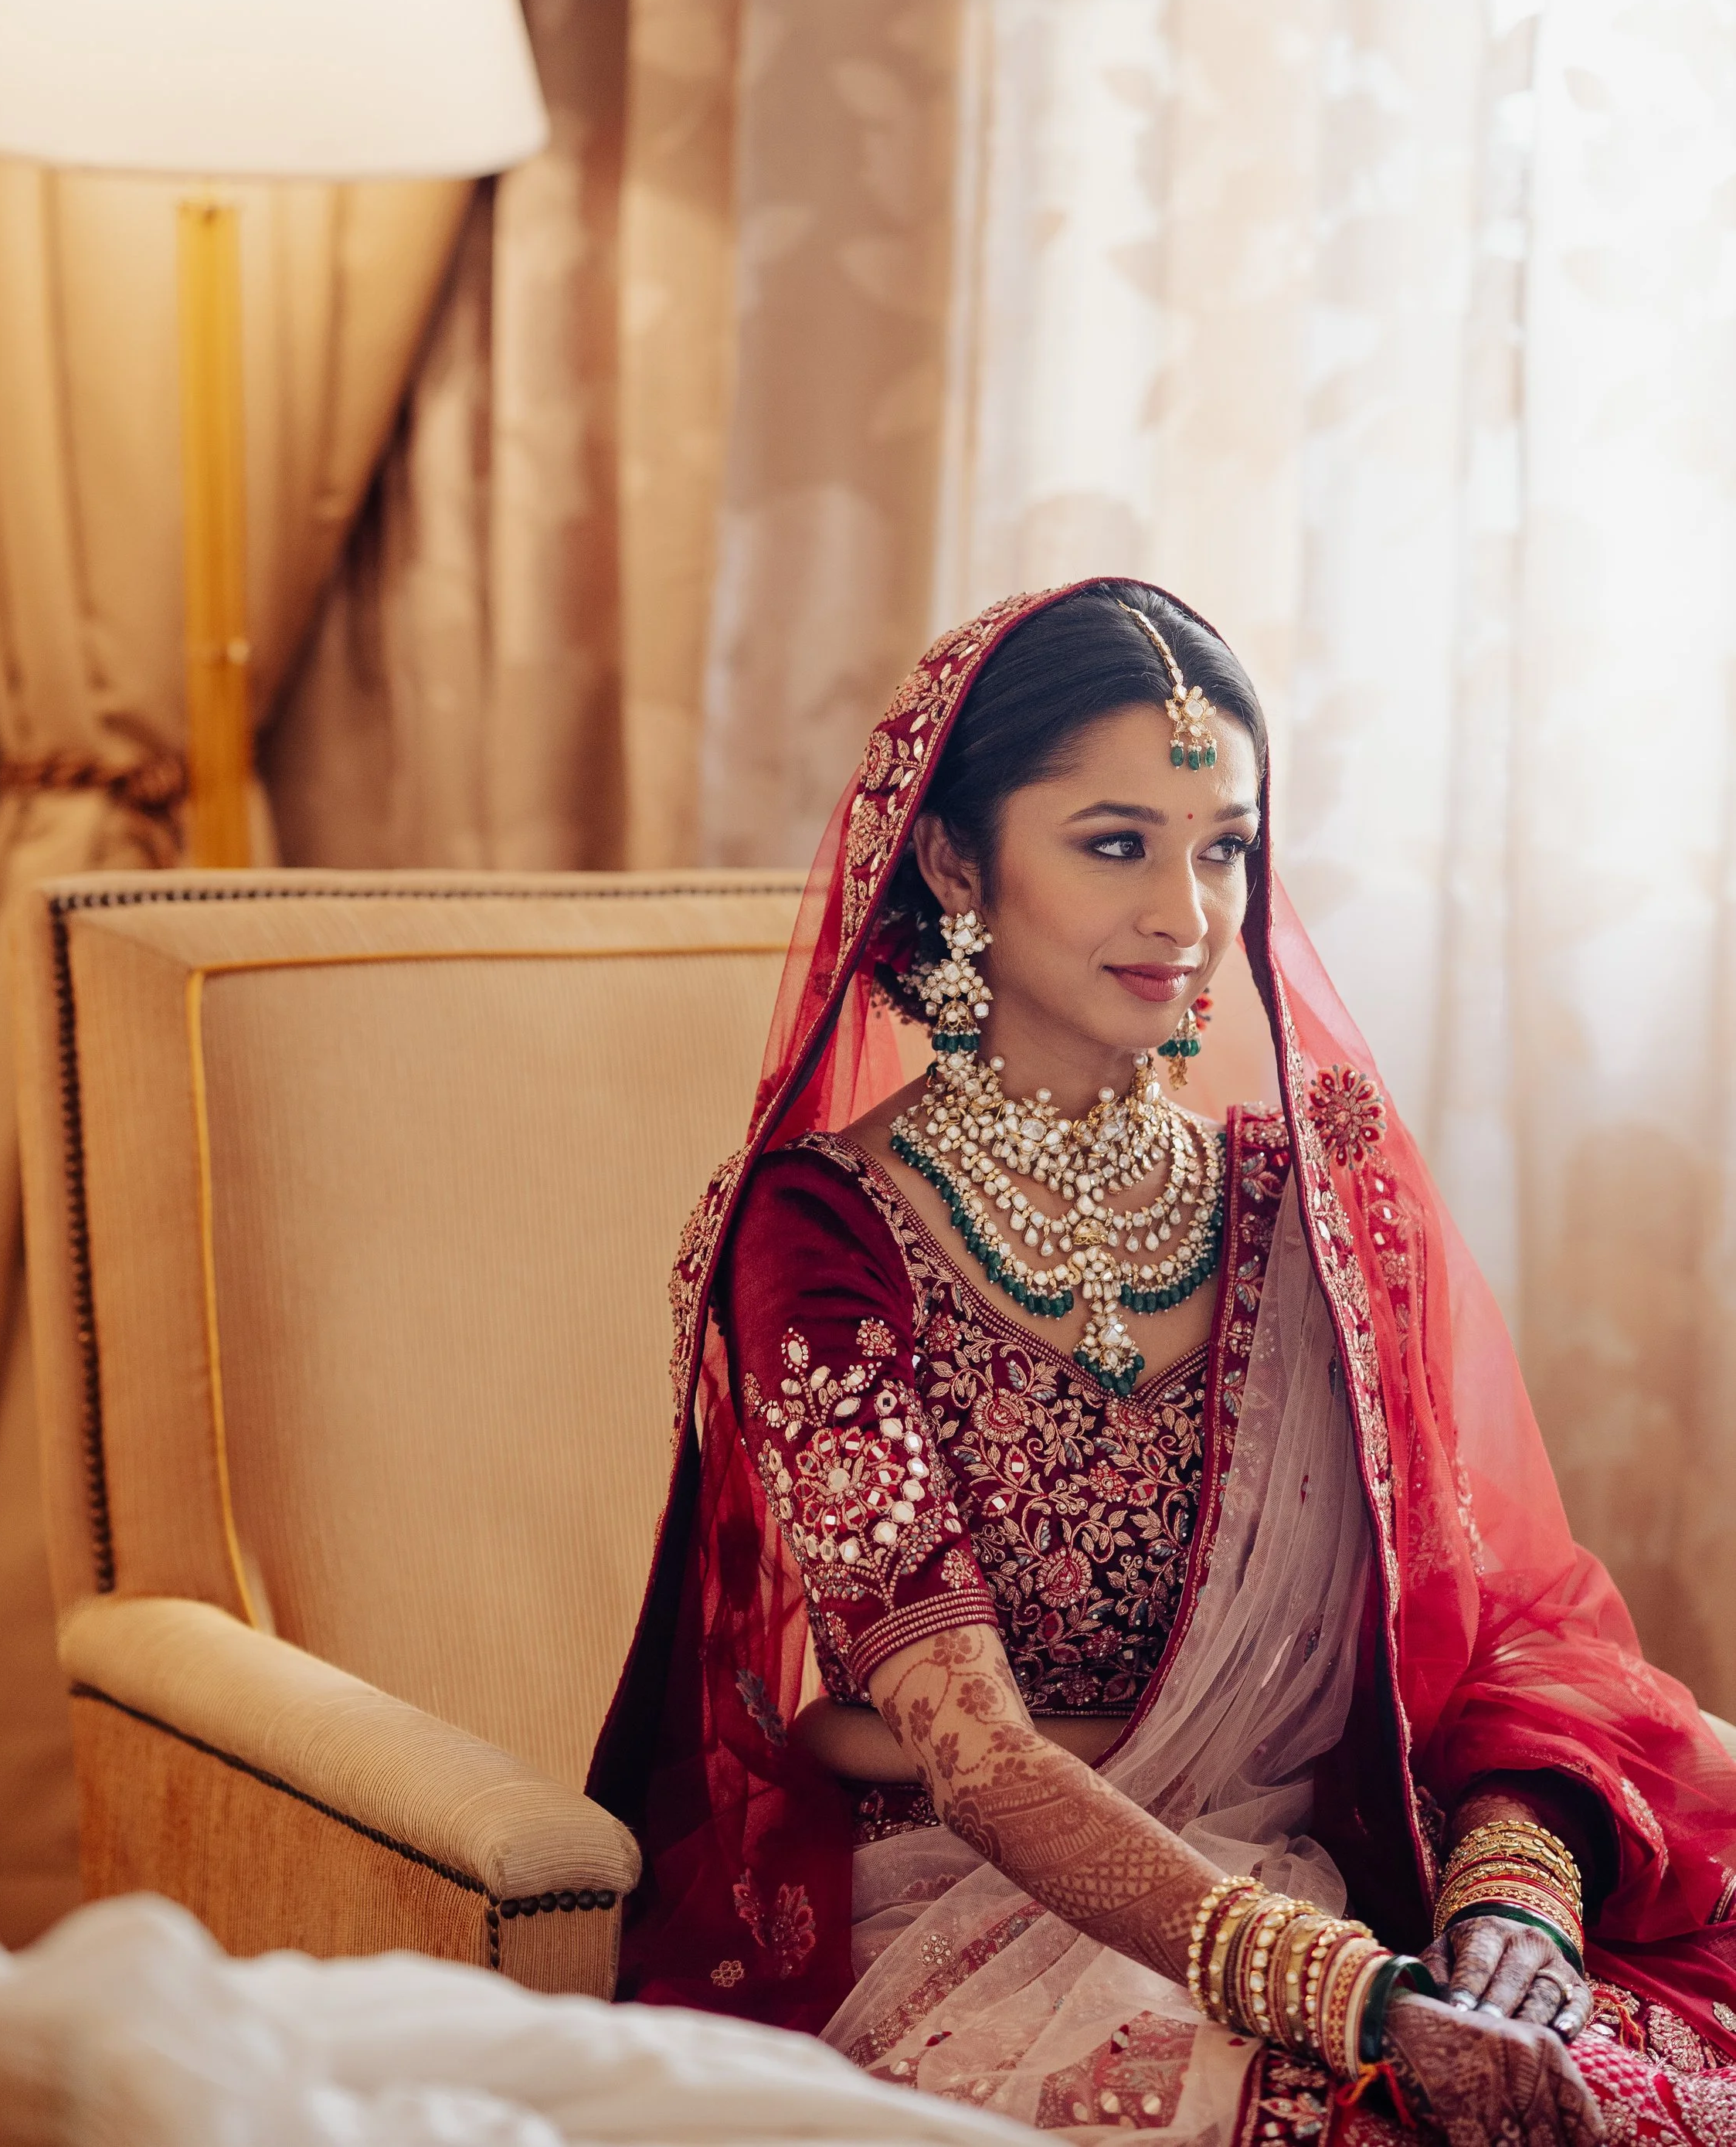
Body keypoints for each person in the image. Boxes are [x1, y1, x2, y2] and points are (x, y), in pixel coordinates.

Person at [589, 582, 1736, 2147]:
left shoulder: (1313, 1208)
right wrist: (1353, 1998)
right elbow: (977, 1756)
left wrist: (1508, 1912)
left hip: (1344, 1879)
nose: (1188, 915)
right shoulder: (824, 1236)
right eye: (1117, 842)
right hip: (975, 1909)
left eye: (1225, 847)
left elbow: (1503, 1636)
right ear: (953, 859)